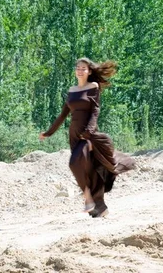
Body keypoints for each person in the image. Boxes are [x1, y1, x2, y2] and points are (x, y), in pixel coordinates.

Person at [39, 57, 135, 218]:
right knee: (89, 171)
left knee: (73, 163)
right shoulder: (72, 90)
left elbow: (95, 111)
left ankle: (88, 199)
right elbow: (63, 115)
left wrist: (89, 131)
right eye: (78, 67)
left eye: (83, 68)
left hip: (88, 136)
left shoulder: (93, 87)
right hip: (74, 136)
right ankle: (100, 207)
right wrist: (48, 132)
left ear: (89, 71)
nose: (80, 70)